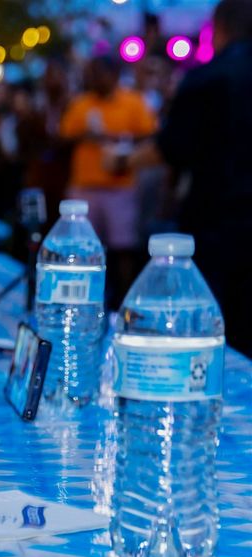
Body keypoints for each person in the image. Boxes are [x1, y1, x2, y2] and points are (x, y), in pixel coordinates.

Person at [128, 0, 252, 353]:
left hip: (218, 221)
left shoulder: (208, 78)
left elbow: (171, 149)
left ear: (220, 27)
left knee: (216, 328)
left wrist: (124, 161)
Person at [60, 55, 157, 305]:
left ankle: (123, 301)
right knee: (82, 247)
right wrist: (85, 135)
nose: (93, 79)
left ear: (113, 75)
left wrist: (117, 139)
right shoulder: (81, 103)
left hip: (120, 187)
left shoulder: (133, 102)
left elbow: (149, 135)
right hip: (85, 187)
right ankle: (84, 299)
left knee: (123, 247)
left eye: (98, 73)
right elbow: (63, 137)